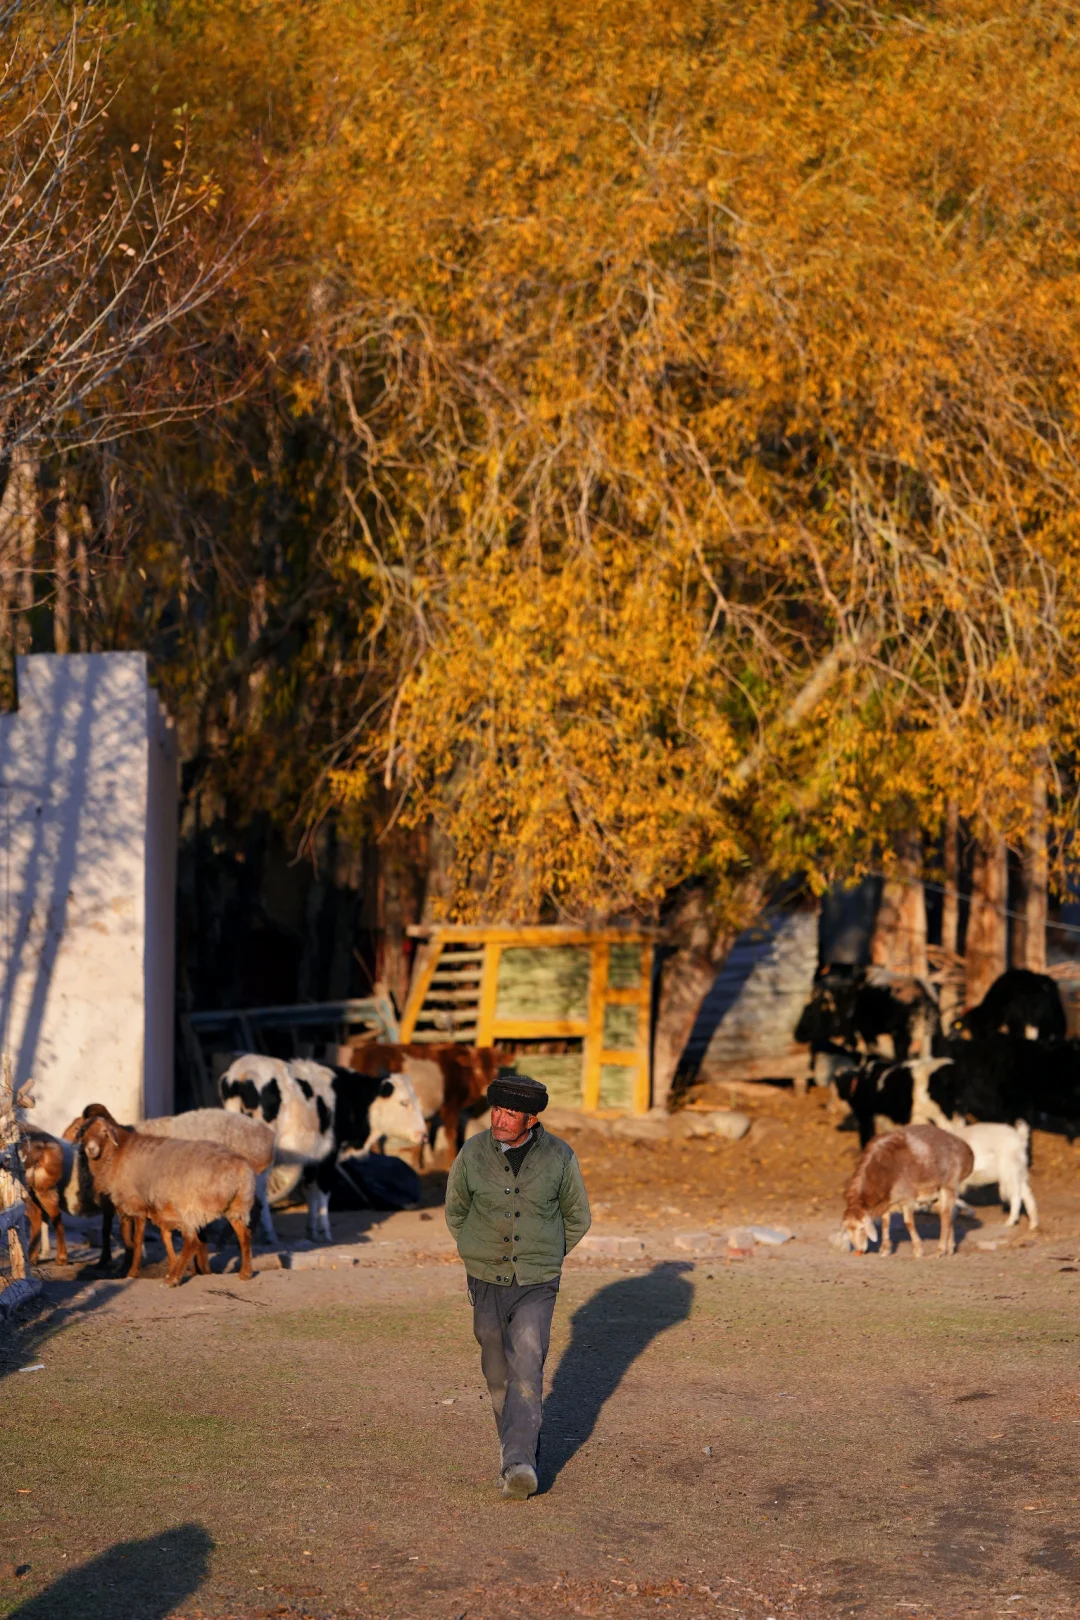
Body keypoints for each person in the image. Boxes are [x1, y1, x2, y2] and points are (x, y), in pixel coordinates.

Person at [444, 1069, 591, 1499]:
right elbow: (456, 1209)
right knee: (495, 1367)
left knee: (527, 1361)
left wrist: (543, 1253)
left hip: (537, 1281)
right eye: (496, 1109)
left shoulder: (560, 1156)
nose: (499, 1119)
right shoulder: (472, 1153)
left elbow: (577, 1217)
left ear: (531, 1120)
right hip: (485, 1275)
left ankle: (520, 1462)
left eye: (510, 1113)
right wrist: (477, 1248)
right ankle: (514, 1446)